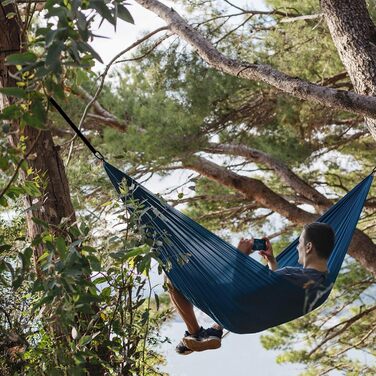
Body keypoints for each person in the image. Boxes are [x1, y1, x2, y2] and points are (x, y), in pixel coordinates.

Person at [167, 222, 335, 355]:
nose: (298, 247)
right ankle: (214, 331)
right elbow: (276, 291)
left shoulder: (293, 275)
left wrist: (239, 257)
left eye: (299, 242)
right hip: (251, 319)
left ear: (308, 247)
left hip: (237, 309)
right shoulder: (323, 283)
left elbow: (240, 292)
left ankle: (195, 333)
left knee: (171, 273)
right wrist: (271, 261)